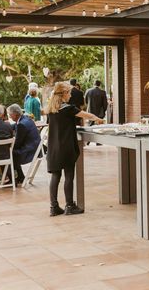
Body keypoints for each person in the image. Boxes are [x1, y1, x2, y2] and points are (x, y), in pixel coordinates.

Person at [46, 81, 103, 217]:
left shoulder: (51, 109)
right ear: (64, 93)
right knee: (69, 175)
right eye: (69, 92)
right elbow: (86, 115)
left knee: (56, 175)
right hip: (66, 146)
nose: (71, 95)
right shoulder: (68, 108)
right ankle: (70, 205)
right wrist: (98, 118)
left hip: (54, 146)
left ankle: (54, 207)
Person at [8, 104, 41, 185]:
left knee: (8, 153)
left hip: (30, 151)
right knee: (12, 151)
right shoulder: (26, 119)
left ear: (15, 114)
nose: (9, 116)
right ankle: (20, 177)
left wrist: (8, 146)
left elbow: (18, 143)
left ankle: (13, 179)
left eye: (10, 114)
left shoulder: (21, 124)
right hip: (35, 148)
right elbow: (15, 126)